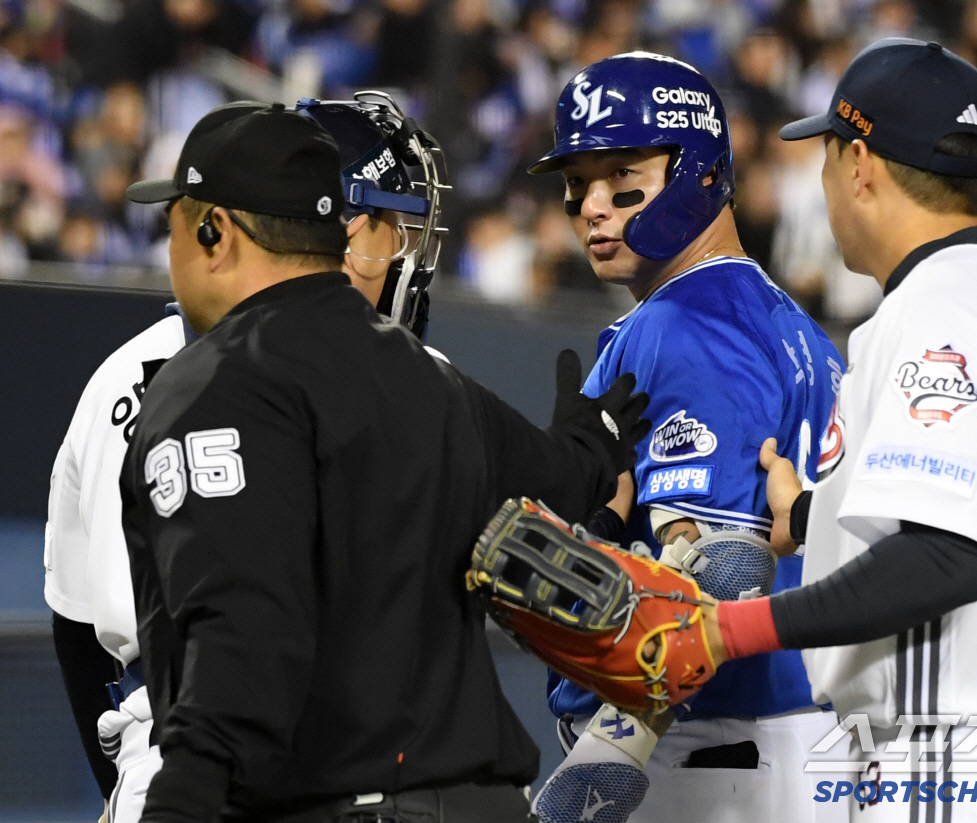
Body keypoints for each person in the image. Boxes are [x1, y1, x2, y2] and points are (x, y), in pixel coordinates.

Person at [704, 38, 977, 822]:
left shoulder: (941, 311)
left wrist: (732, 628)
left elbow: (945, 555)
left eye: (825, 153)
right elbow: (967, 516)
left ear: (860, 164)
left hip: (956, 761)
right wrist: (804, 517)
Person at [44, 92, 453, 823]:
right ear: (342, 232)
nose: (407, 254)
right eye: (394, 225)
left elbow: (79, 632)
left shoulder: (118, 376)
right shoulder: (408, 378)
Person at [526, 52, 847, 823]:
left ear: (697, 167)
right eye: (577, 187)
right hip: (788, 739)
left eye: (620, 176)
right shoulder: (790, 324)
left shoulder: (685, 321)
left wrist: (608, 753)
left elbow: (721, 574)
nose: (593, 207)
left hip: (709, 754)